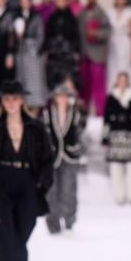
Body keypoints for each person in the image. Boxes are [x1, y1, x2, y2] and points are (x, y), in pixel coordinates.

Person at [0, 80, 54, 261]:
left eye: (15, 98)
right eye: (7, 98)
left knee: (20, 238)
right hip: (2, 184)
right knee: (6, 239)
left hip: (28, 184)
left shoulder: (36, 128)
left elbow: (48, 159)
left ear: (22, 100)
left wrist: (41, 184)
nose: (11, 102)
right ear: (2, 101)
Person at [42, 82, 86, 233]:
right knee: (51, 191)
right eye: (59, 96)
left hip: (70, 157)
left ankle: (69, 220)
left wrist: (77, 149)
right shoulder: (47, 115)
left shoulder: (75, 114)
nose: (62, 99)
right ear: (55, 98)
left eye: (65, 96)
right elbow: (42, 135)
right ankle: (53, 223)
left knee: (68, 189)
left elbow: (80, 135)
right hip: (51, 158)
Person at [102, 71, 131, 205]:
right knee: (116, 167)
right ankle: (119, 196)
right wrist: (105, 136)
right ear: (117, 82)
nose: (123, 83)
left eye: (125, 80)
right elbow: (106, 119)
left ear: (128, 82)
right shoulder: (111, 97)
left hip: (130, 136)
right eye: (121, 80)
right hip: (115, 136)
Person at [78, 0, 111, 116]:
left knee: (98, 87)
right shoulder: (82, 13)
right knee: (84, 87)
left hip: (97, 55)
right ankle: (84, 113)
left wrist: (95, 34)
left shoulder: (101, 12)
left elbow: (108, 31)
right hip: (84, 54)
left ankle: (100, 114)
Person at [12, 0, 47, 111]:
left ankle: (35, 109)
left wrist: (35, 50)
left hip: (32, 52)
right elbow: (11, 35)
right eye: (22, 1)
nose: (24, 3)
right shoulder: (16, 16)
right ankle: (23, 108)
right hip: (20, 51)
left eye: (26, 1)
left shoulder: (36, 17)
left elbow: (41, 36)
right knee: (21, 80)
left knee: (34, 82)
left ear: (30, 2)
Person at [43, 0, 81, 89]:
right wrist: (47, 48)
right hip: (54, 55)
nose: (60, 3)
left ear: (66, 1)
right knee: (54, 81)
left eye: (62, 0)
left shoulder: (71, 18)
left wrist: (75, 51)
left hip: (67, 55)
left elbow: (76, 36)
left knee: (68, 80)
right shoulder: (52, 17)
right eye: (58, 0)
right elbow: (48, 34)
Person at [106, 0, 131, 93]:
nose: (120, 0)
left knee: (125, 67)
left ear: (125, 0)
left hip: (125, 43)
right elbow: (107, 30)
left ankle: (128, 93)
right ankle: (112, 93)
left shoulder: (130, 13)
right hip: (113, 43)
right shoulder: (110, 12)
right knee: (112, 68)